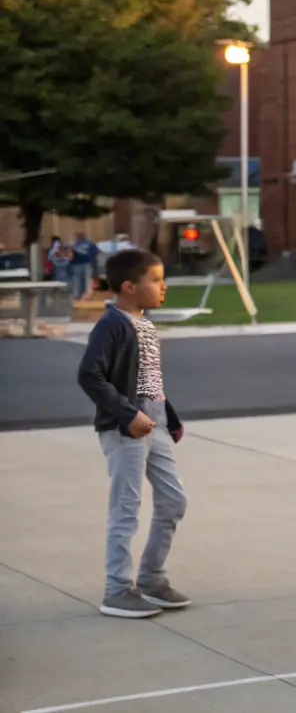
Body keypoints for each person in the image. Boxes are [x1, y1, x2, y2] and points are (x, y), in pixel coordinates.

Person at [76, 248, 190, 619]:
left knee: (174, 501)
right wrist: (128, 415)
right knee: (126, 509)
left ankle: (152, 579)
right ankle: (117, 591)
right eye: (155, 280)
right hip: (126, 429)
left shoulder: (144, 323)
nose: (164, 286)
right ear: (128, 287)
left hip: (155, 426)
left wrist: (169, 418)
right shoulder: (112, 325)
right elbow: (89, 375)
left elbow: (149, 380)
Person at [71, 232, 100, 298]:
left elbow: (71, 255)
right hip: (87, 263)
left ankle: (76, 294)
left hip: (76, 264)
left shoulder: (75, 245)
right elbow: (96, 252)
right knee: (87, 279)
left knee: (77, 280)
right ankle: (87, 294)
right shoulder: (90, 243)